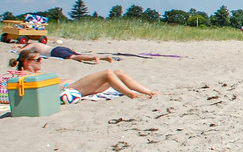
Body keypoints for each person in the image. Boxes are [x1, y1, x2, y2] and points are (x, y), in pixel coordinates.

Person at [12, 49, 157, 99]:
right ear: (26, 62)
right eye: (38, 59)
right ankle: (132, 94)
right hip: (70, 89)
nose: (41, 61)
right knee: (107, 73)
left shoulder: (36, 73)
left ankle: (150, 92)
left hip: (74, 85)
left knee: (118, 72)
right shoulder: (23, 75)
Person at [19, 41, 113, 64]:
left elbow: (22, 51)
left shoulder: (33, 44)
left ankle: (93, 58)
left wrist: (18, 47)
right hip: (59, 48)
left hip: (55, 51)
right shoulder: (39, 44)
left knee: (74, 57)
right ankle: (104, 57)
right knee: (79, 55)